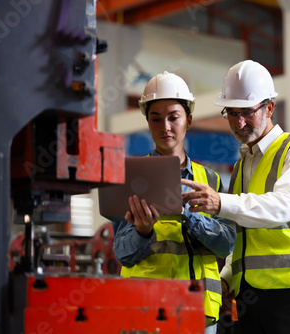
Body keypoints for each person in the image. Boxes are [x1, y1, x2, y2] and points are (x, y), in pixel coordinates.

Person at [181, 60, 290, 334]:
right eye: (232, 113)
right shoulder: (242, 166)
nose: (239, 122)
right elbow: (243, 236)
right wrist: (226, 279)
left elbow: (282, 207)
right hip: (249, 295)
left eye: (247, 112)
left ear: (270, 107)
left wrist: (221, 203)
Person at [112, 71, 237, 334]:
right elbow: (122, 253)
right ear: (147, 122)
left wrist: (188, 215)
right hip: (147, 311)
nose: (165, 127)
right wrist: (142, 232)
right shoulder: (133, 178)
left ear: (189, 121)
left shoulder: (210, 180)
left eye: (174, 117)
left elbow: (227, 242)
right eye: (156, 119)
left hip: (200, 312)